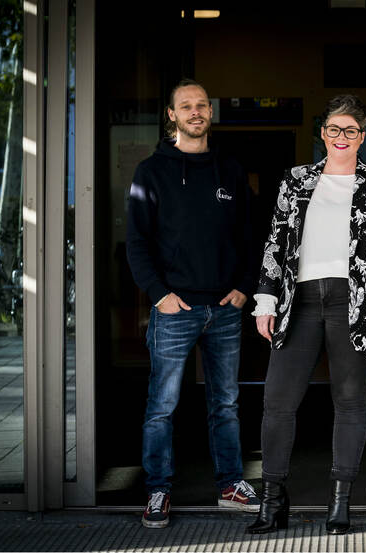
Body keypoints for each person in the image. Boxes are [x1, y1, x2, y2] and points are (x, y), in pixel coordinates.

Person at [246, 94, 366, 535]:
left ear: (362, 137)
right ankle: (272, 500)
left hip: (355, 303)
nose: (342, 137)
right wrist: (265, 298)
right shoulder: (295, 180)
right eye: (334, 129)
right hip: (297, 301)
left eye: (351, 131)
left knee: (351, 402)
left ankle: (340, 502)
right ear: (322, 134)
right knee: (278, 402)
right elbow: (276, 242)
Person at [126, 79, 259, 529]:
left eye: (202, 105)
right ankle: (158, 490)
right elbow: (137, 243)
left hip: (224, 308)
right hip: (175, 309)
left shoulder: (231, 170)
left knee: (225, 403)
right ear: (172, 115)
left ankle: (230, 485)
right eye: (186, 106)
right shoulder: (151, 172)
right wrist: (159, 295)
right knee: (162, 405)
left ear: (210, 112)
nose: (195, 112)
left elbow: (250, 235)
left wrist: (245, 286)